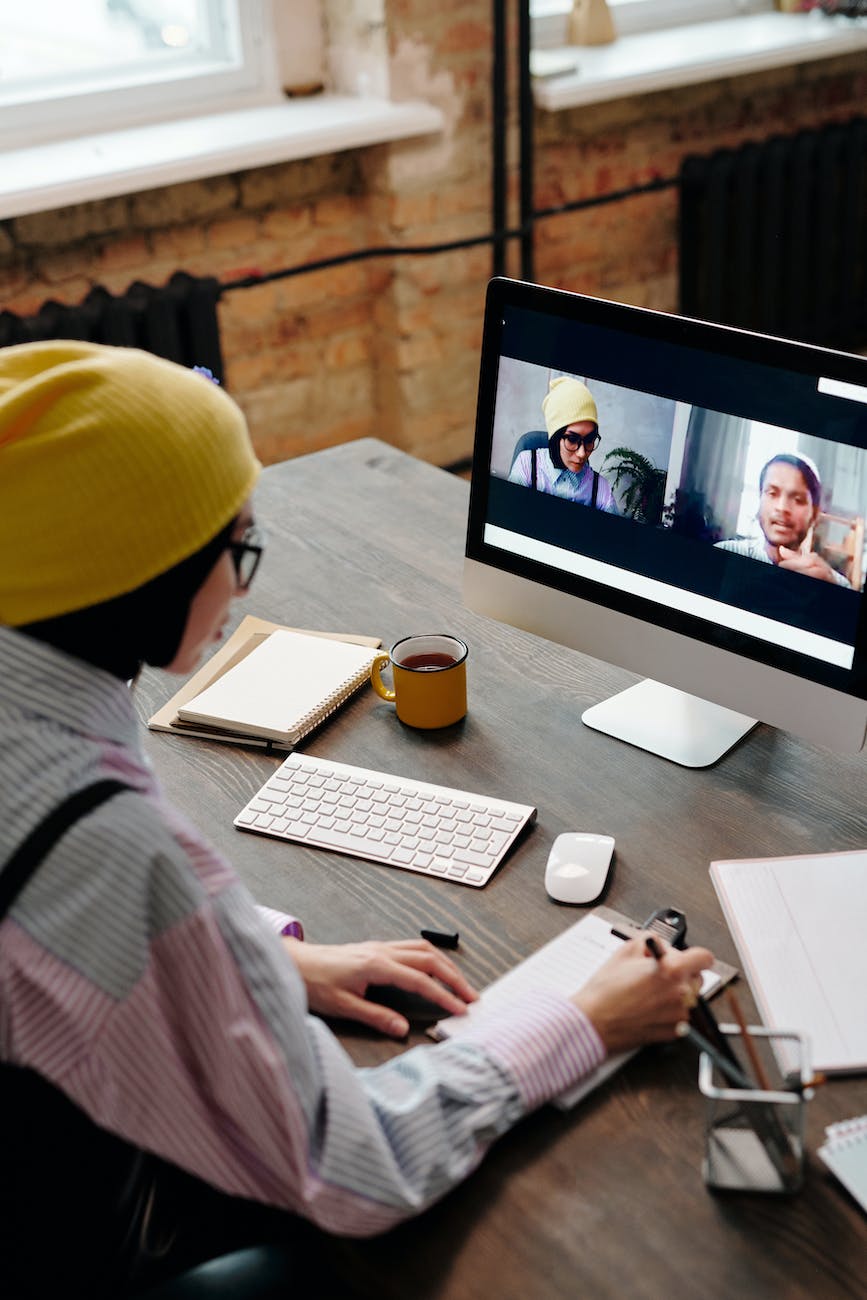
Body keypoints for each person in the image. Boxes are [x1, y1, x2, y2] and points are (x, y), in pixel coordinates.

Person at [0, 341, 712, 1298]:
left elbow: (49, 935)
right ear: (144, 573)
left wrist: (256, 959)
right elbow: (357, 1167)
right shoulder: (113, 846)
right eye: (238, 546)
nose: (246, 583)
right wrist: (583, 1018)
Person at [715, 453, 849, 586]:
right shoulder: (723, 555)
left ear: (814, 514)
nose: (782, 507)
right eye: (772, 493)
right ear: (759, 499)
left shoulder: (837, 585)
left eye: (798, 500)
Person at [508, 375, 618, 512]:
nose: (582, 453)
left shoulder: (601, 489)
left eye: (589, 440)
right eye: (572, 439)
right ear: (555, 438)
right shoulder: (527, 466)